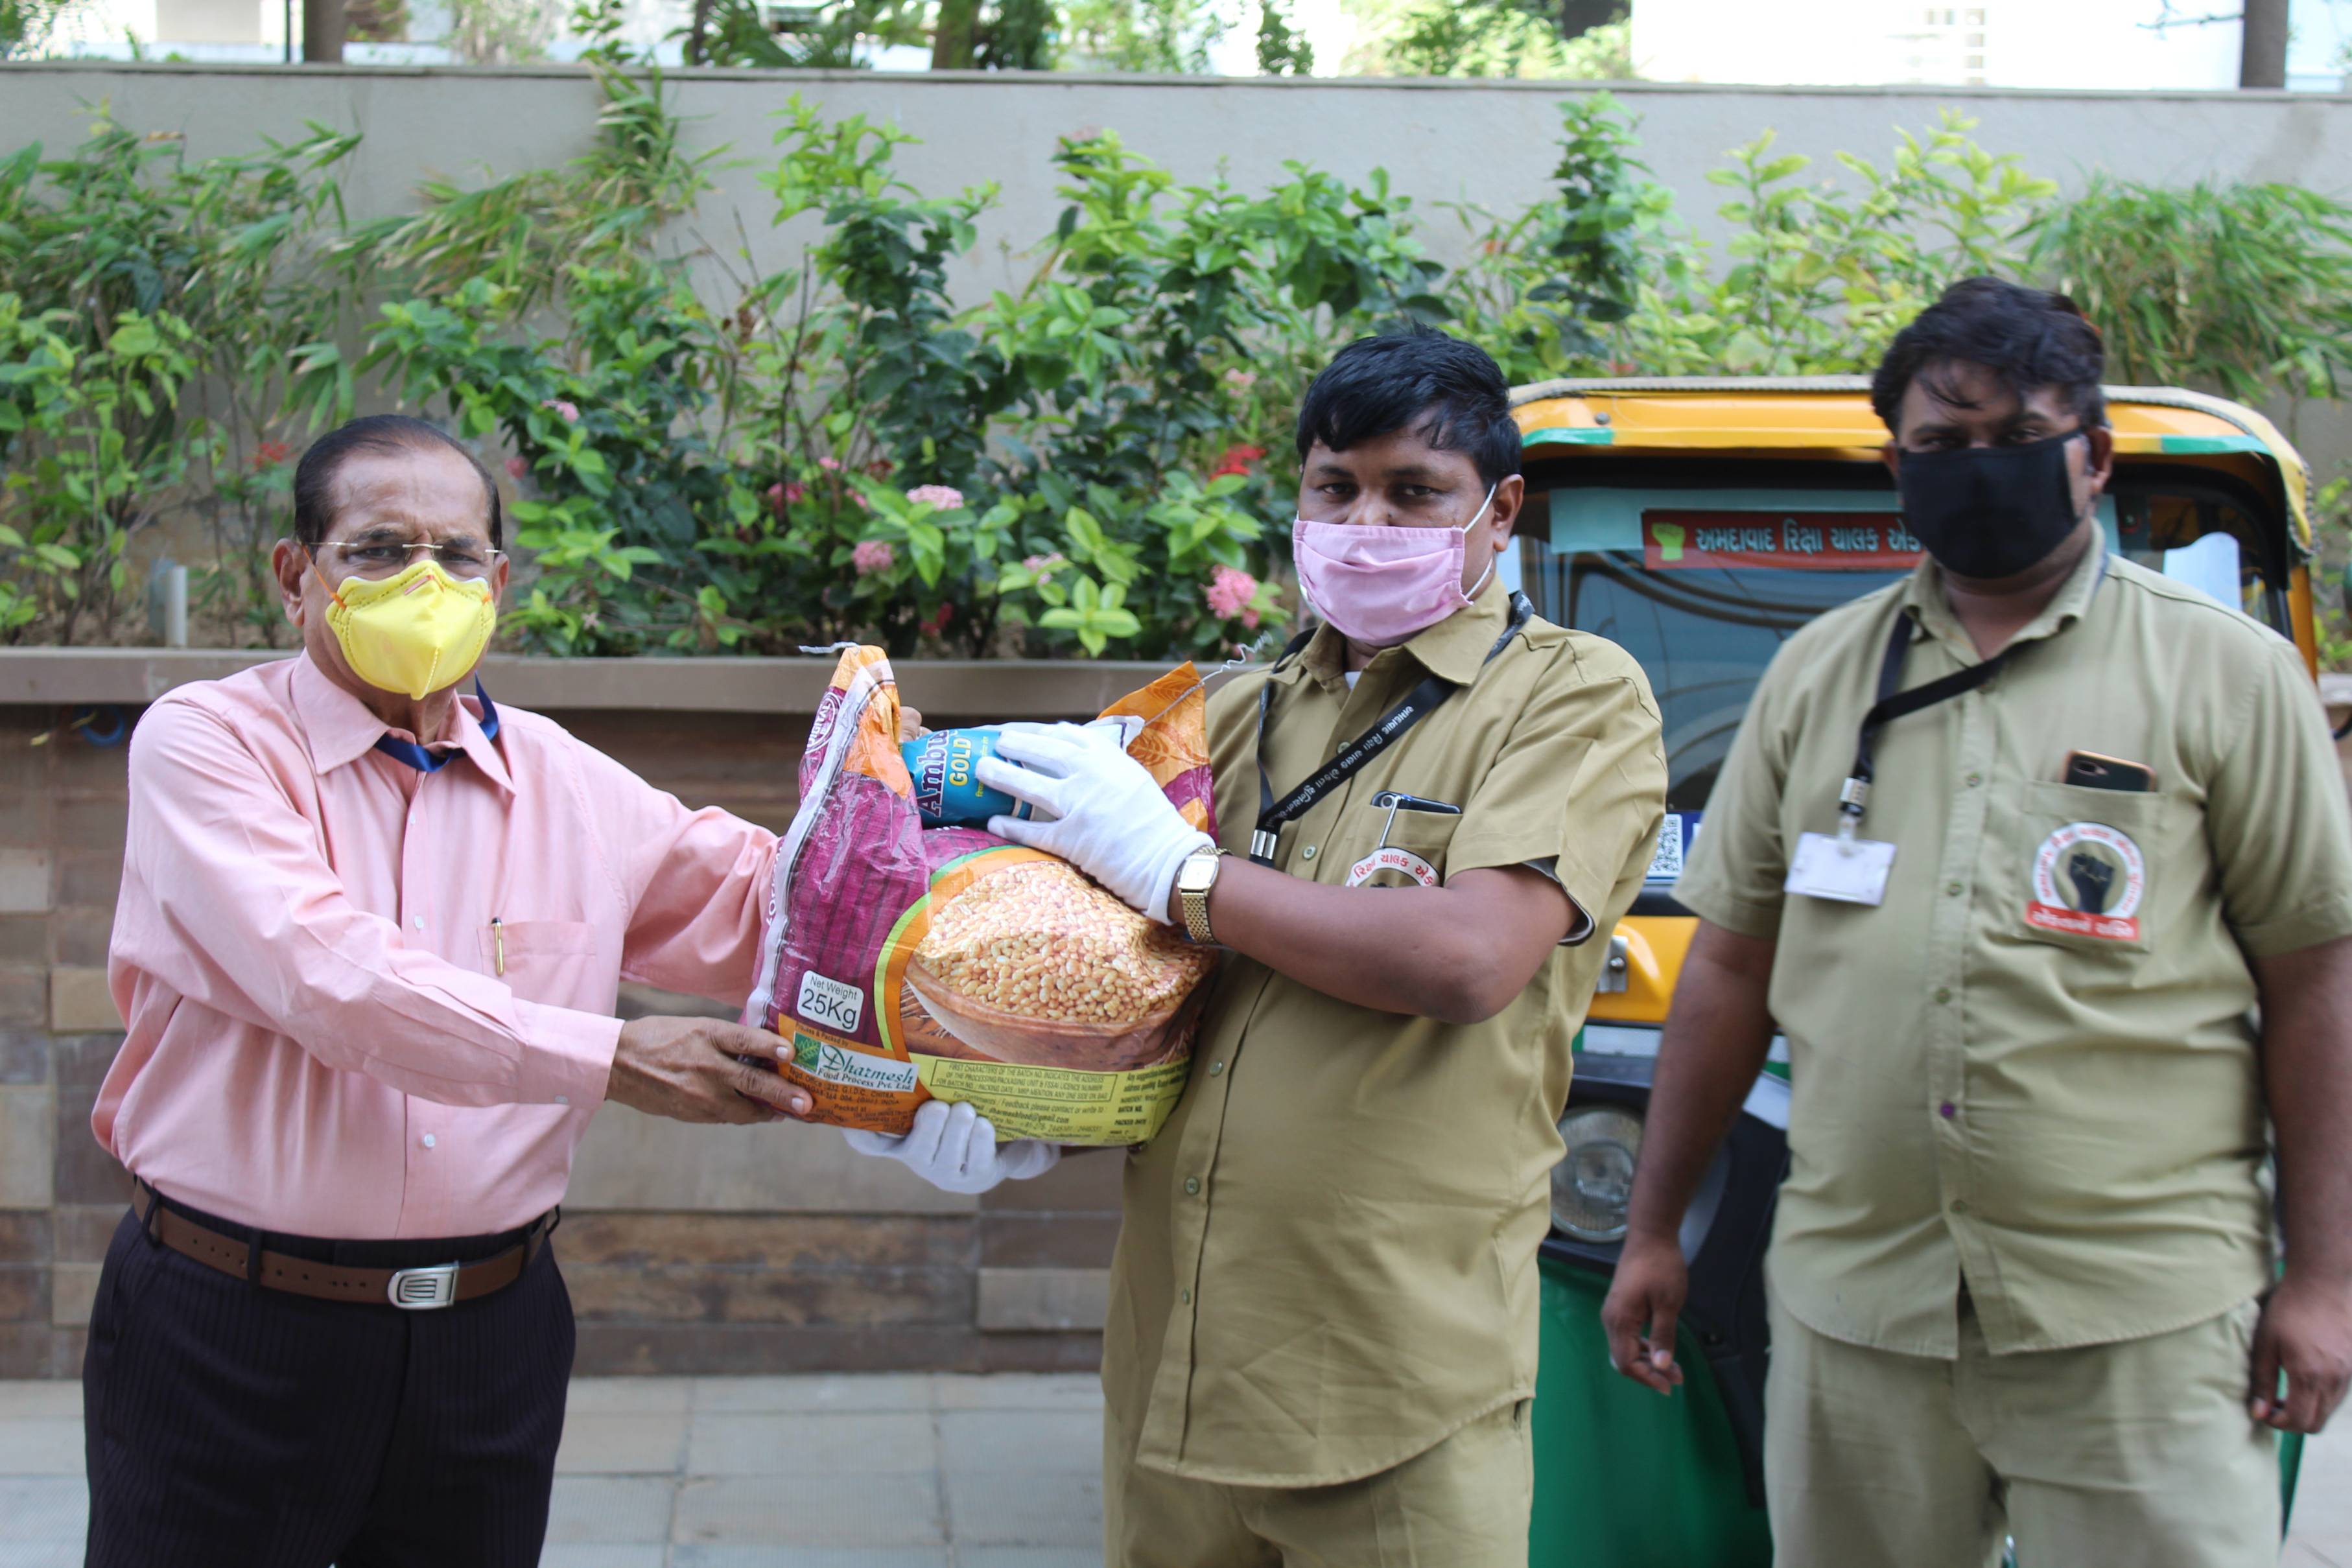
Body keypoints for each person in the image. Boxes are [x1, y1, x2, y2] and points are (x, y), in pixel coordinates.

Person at [852, 329, 1667, 1567]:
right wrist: (996, 1105)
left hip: (1397, 1385)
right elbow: (1130, 988)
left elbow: (1466, 961)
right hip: (1175, 1374)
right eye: (1334, 487)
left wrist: (1186, 875)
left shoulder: (1571, 697)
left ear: (1500, 512)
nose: (1366, 521)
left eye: (1413, 492)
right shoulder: (1229, 712)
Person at [1600, 278, 2352, 1565]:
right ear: (1894, 464)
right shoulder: (1817, 674)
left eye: (2013, 438)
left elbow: (2313, 985)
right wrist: (1655, 1227)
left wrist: (2323, 1277)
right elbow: (1725, 969)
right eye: (1937, 447)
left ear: (2091, 458)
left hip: (2139, 1320)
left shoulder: (2222, 673)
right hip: (1858, 1318)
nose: (1974, 471)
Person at [85, 415, 814, 1568]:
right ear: (297, 576)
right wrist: (613, 1056)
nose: (424, 581)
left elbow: (772, 907)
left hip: (491, 1333)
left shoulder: (561, 779)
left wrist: (930, 823)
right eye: (379, 550)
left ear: (499, 579)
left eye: (457, 554)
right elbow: (333, 980)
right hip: (233, 1326)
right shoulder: (210, 743)